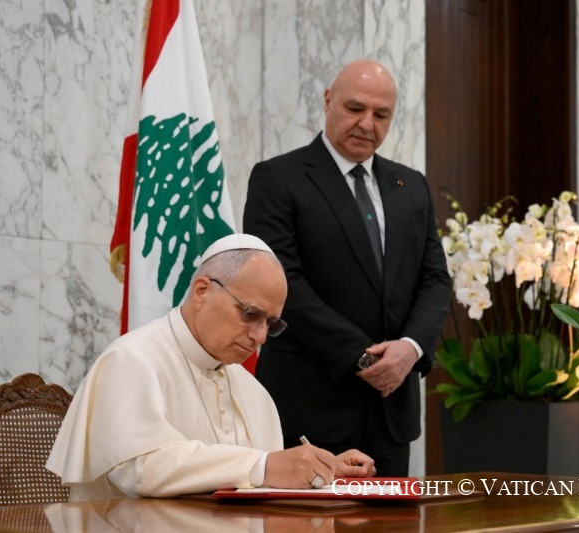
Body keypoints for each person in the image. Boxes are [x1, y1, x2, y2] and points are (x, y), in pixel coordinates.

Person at [46, 233, 375, 501]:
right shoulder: (132, 360)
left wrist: (321, 472)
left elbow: (261, 485)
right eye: (250, 314)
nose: (260, 336)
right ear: (202, 291)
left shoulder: (251, 389)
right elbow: (140, 468)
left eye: (271, 323)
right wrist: (265, 466)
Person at [243, 59, 452, 476]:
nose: (366, 124)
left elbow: (434, 278)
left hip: (391, 413)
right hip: (310, 409)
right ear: (327, 101)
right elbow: (282, 284)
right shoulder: (278, 178)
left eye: (381, 114)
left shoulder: (411, 186)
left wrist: (410, 349)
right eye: (355, 108)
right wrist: (363, 359)